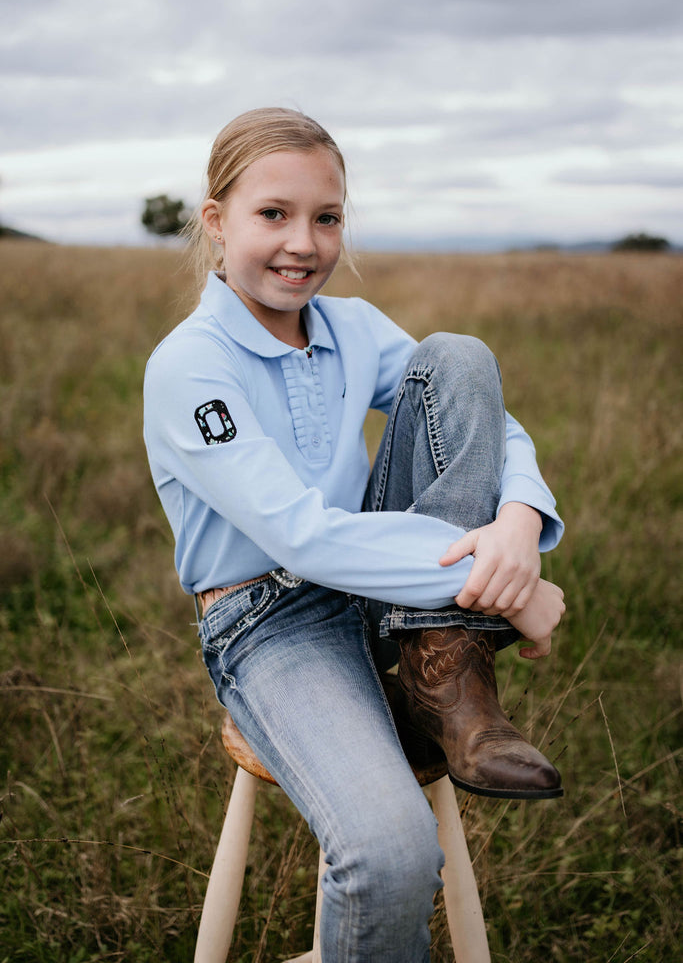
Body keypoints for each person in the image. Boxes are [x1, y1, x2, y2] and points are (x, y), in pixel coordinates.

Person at [143, 107, 566, 962]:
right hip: (270, 623)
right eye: (273, 214)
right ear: (217, 221)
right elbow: (300, 538)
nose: (304, 242)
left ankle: (445, 658)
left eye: (326, 217)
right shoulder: (190, 366)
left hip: (384, 597)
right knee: (391, 854)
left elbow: (490, 424)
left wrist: (517, 532)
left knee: (458, 358)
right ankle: (456, 632)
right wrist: (486, 584)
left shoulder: (353, 329)